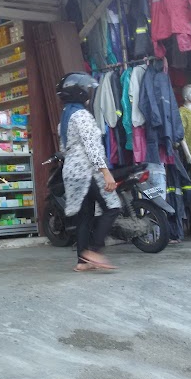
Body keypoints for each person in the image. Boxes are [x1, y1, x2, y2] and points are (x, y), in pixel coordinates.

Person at [57, 72, 121, 271]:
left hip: (72, 171)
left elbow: (63, 148)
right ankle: (94, 251)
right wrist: (106, 172)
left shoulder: (65, 118)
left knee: (84, 216)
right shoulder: (82, 115)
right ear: (80, 93)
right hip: (86, 171)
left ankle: (82, 261)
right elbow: (92, 147)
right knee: (112, 207)